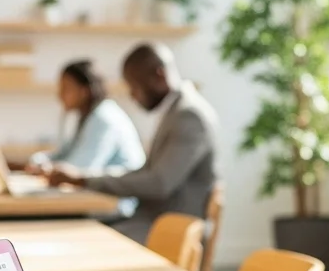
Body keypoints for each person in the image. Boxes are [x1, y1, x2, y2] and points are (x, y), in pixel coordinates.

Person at [47, 43, 219, 244]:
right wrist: (87, 179)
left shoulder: (189, 115)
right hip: (150, 218)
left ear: (159, 75)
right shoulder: (176, 111)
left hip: (170, 227)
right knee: (79, 232)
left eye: (135, 86)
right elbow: (146, 171)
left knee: (82, 239)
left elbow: (159, 183)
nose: (132, 95)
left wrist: (86, 180)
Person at [26, 59, 146, 177]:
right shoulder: (88, 117)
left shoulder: (103, 118)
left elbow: (80, 169)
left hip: (122, 194)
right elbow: (66, 153)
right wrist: (39, 161)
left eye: (66, 89)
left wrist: (49, 168)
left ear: (84, 92)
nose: (60, 95)